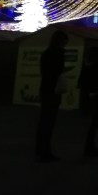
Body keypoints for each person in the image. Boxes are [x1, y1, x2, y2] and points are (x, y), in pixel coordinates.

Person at [35, 29, 70, 163]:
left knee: (44, 121)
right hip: (53, 91)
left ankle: (40, 149)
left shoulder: (47, 53)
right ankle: (45, 151)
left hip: (46, 90)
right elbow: (57, 72)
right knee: (49, 122)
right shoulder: (58, 54)